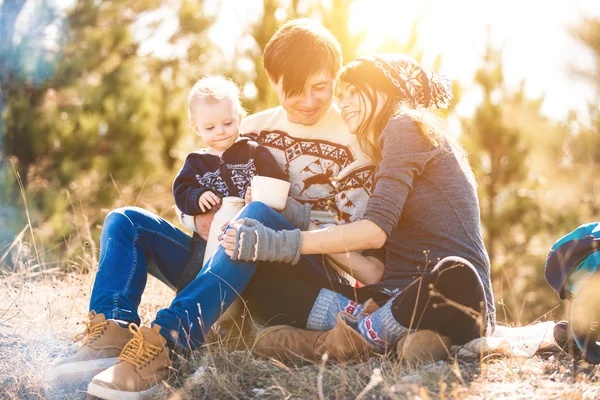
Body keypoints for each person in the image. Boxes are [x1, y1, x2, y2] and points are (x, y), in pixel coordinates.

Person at [52, 18, 378, 400]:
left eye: (320, 87)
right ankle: (112, 328)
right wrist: (196, 216)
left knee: (255, 217)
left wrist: (273, 222)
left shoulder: (358, 137)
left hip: (301, 267)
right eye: (293, 90)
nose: (308, 100)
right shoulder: (247, 128)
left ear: (335, 77)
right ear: (272, 80)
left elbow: (361, 236)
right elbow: (198, 189)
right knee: (126, 221)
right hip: (219, 257)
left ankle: (169, 339)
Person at [220, 53, 497, 362]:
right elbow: (362, 255)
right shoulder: (383, 148)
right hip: (392, 299)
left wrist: (279, 243)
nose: (344, 102)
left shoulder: (405, 126)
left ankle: (342, 341)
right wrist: (295, 214)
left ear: (384, 91)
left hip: (451, 296)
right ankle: (404, 338)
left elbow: (373, 233)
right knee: (263, 284)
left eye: (354, 92)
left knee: (456, 272)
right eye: (342, 94)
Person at [172, 75, 285, 291]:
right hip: (209, 237)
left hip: (251, 233)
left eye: (227, 123)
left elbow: (278, 181)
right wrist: (197, 197)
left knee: (255, 278)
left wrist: (261, 198)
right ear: (197, 129)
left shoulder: (255, 152)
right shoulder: (196, 162)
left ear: (239, 118)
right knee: (196, 269)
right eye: (210, 128)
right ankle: (184, 310)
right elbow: (181, 192)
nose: (220, 131)